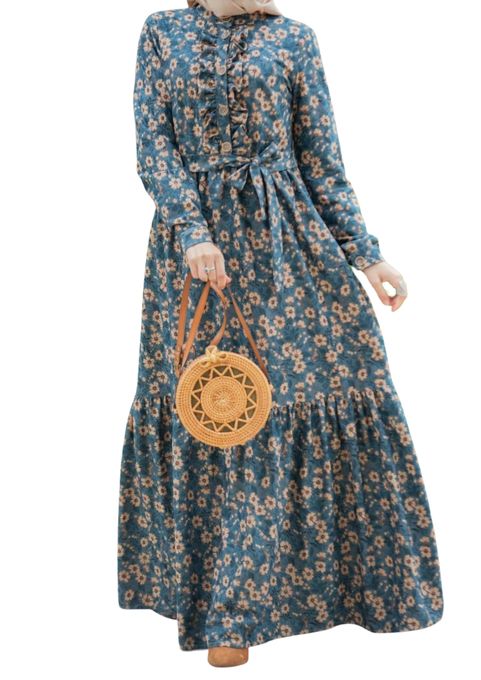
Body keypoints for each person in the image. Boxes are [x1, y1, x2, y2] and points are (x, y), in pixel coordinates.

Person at [117, 0, 444, 667]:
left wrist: (367, 255)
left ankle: (344, 595)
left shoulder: (294, 39)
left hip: (291, 250)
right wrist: (193, 232)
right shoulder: (161, 32)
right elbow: (154, 147)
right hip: (195, 259)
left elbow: (320, 159)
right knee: (216, 407)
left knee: (304, 393)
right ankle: (224, 614)